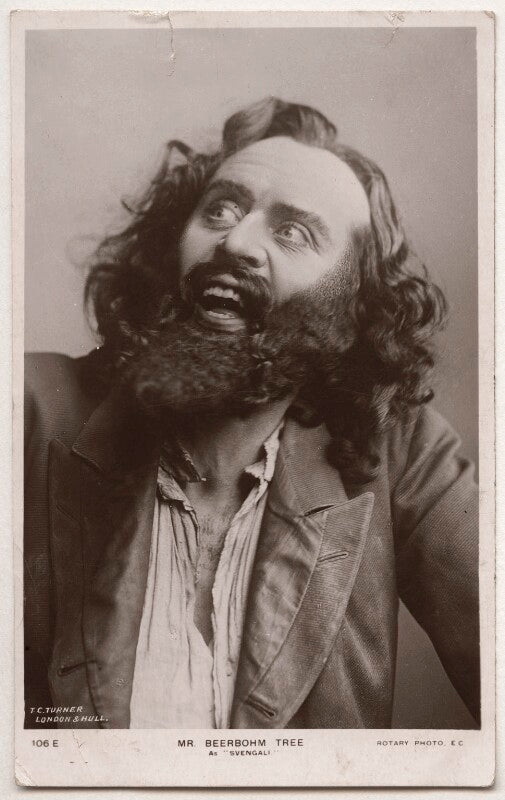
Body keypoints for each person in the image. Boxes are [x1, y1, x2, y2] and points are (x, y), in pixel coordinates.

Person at [24, 97, 479, 730]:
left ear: (351, 309)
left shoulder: (403, 456)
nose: (235, 242)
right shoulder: (31, 409)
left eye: (292, 232)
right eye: (219, 209)